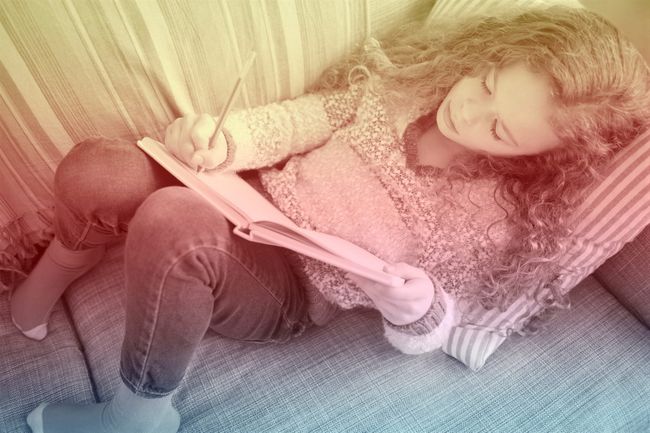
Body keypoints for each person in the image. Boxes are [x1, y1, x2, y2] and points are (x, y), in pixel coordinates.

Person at [10, 6, 650, 433]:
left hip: (289, 287)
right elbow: (305, 119)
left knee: (174, 222)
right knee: (102, 167)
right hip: (245, 196)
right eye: (483, 84)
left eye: (501, 129)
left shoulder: (493, 218)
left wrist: (413, 301)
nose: (468, 112)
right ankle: (61, 264)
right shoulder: (407, 90)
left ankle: (138, 414)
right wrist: (223, 140)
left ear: (542, 159)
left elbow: (434, 322)